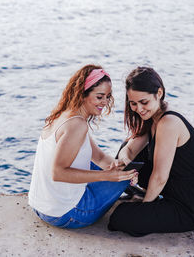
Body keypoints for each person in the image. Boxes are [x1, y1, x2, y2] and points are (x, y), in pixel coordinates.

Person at [28, 64, 138, 229]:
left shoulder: (63, 115)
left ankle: (126, 179)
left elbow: (100, 157)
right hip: (67, 214)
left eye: (108, 97)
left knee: (120, 171)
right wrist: (110, 176)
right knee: (123, 178)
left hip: (40, 206)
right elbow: (58, 173)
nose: (105, 102)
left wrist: (119, 166)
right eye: (100, 97)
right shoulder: (77, 125)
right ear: (83, 93)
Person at [108, 67, 194, 236]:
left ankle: (149, 200)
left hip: (189, 209)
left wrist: (146, 210)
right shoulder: (153, 117)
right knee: (125, 145)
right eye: (133, 103)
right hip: (172, 192)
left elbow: (160, 176)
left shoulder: (168, 122)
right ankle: (146, 198)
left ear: (159, 93)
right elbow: (129, 148)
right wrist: (126, 162)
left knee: (119, 218)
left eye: (144, 102)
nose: (139, 109)